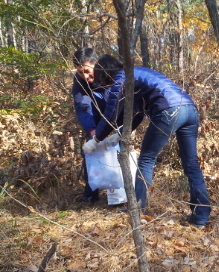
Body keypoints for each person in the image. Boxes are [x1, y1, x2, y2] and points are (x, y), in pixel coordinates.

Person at [86, 54, 211, 227]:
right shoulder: (136, 73)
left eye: (100, 79)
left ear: (105, 74)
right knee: (191, 164)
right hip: (189, 109)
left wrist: (96, 139)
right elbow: (138, 112)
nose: (101, 84)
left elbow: (111, 113)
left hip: (169, 110)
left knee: (145, 160)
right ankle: (201, 217)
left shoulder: (121, 79)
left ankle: (137, 209)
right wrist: (121, 132)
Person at [72, 47, 106, 203]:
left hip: (114, 117)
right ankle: (91, 194)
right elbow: (82, 106)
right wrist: (92, 130)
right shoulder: (79, 81)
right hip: (94, 119)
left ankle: (120, 193)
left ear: (96, 64)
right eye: (80, 72)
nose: (84, 76)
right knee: (90, 154)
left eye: (87, 70)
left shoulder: (110, 72)